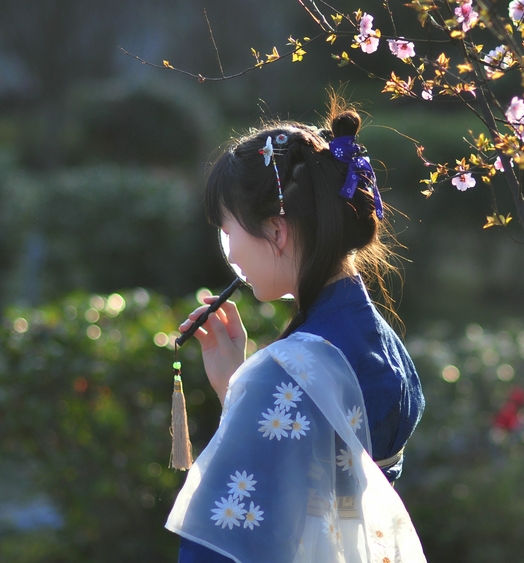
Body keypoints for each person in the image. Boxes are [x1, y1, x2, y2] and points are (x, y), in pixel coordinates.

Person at [165, 101, 426, 563]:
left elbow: (231, 538)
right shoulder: (381, 342)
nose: (230, 254)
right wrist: (240, 389)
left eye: (228, 232)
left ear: (277, 231)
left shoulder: (287, 372)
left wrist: (255, 392)